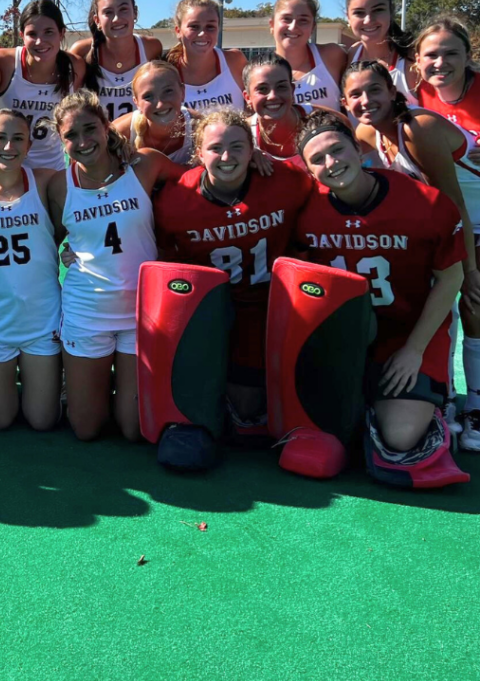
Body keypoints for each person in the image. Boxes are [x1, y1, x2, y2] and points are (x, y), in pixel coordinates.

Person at [295, 111, 467, 487]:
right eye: (318, 160)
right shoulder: (306, 210)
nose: (332, 163)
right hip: (349, 337)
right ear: (308, 171)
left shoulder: (424, 202)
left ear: (358, 149)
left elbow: (451, 277)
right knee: (324, 425)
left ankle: (437, 407)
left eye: (338, 150)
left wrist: (414, 350)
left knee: (400, 437)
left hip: (410, 331)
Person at [153, 110, 314, 444]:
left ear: (253, 148)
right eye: (215, 148)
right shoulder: (174, 200)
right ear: (198, 154)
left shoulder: (284, 181)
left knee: (252, 411)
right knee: (240, 411)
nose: (227, 157)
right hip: (212, 319)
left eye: (238, 147)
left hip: (273, 311)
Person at [348, 50, 480, 450]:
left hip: (472, 216)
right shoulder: (368, 135)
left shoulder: (417, 127)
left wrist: (470, 271)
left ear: (393, 92)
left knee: (472, 303)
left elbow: (454, 205)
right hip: (451, 224)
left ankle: (475, 407)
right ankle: (448, 400)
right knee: (438, 305)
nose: (365, 100)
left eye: (374, 90)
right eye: (355, 94)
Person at [47, 89, 181, 441]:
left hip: (142, 311)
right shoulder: (61, 186)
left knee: (133, 430)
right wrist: (67, 249)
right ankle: (82, 389)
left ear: (107, 127)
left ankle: (113, 390)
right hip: (87, 308)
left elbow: (198, 183)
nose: (83, 141)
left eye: (90, 129)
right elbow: (48, 235)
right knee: (86, 429)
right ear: (62, 143)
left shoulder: (145, 165)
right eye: (71, 136)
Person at [0, 109, 63, 430]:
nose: (8, 146)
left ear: (29, 146)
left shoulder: (48, 182)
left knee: (42, 421)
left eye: (18, 138)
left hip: (41, 319)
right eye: (0, 137)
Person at [0, 0, 82, 170]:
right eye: (32, 34)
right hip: (4, 165)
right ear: (21, 35)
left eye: (49, 32)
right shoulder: (3, 63)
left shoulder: (74, 67)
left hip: (50, 168)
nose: (40, 41)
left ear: (62, 33)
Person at [71, 0, 162, 123]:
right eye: (108, 12)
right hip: (98, 142)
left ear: (135, 12)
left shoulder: (151, 48)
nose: (117, 19)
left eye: (123, 10)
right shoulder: (81, 52)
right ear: (97, 20)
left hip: (138, 142)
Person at [243, 53, 336, 166]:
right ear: (247, 97)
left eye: (281, 87)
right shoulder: (242, 136)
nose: (273, 96)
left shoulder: (327, 121)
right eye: (262, 89)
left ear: (292, 90)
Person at [165, 0, 247, 113]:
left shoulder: (235, 61)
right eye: (194, 27)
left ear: (218, 29)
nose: (202, 33)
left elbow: (253, 108)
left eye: (210, 27)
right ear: (178, 31)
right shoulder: (167, 74)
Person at [345, 0, 418, 102]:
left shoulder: (413, 61)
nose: (368, 20)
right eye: (359, 13)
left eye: (378, 10)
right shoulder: (350, 56)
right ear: (348, 17)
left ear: (391, 11)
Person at [270, 0, 345, 112]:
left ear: (313, 28)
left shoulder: (332, 57)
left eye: (303, 20)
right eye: (286, 19)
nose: (293, 27)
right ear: (272, 25)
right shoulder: (259, 71)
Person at [111, 59, 199, 164]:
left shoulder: (198, 126)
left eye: (168, 91)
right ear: (136, 102)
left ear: (182, 92)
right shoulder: (119, 134)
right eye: (148, 96)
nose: (160, 104)